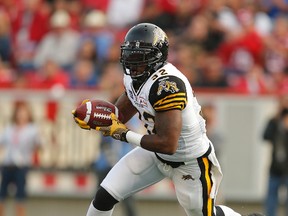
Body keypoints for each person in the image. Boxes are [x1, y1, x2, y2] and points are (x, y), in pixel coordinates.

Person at [73, 23, 263, 216]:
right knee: (105, 195)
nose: (132, 62)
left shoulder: (167, 85)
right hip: (154, 153)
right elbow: (118, 115)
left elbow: (168, 143)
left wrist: (123, 134)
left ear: (156, 57)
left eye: (139, 57)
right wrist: (95, 116)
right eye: (130, 55)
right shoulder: (135, 78)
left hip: (189, 160)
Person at [0, 101, 42, 216]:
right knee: (2, 195)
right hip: (8, 164)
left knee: (20, 197)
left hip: (21, 165)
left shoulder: (32, 130)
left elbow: (38, 145)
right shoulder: (10, 128)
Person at [263, 95, 288, 216]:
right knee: (271, 198)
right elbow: (265, 136)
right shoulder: (274, 121)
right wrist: (277, 121)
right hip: (275, 167)